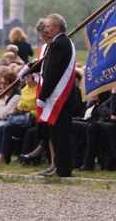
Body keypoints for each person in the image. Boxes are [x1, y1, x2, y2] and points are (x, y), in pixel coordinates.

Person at [36, 13, 77, 178]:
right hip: (65, 97)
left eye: (48, 26)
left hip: (59, 97)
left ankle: (63, 169)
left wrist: (42, 96)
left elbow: (52, 72)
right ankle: (62, 168)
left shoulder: (58, 44)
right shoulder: (65, 42)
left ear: (57, 27)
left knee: (60, 136)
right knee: (60, 135)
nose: (46, 29)